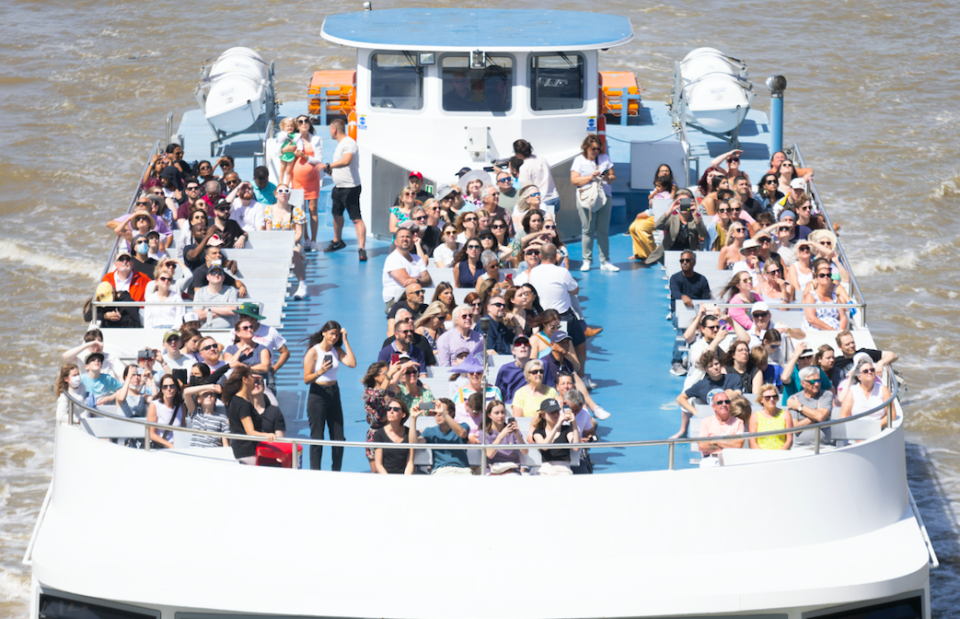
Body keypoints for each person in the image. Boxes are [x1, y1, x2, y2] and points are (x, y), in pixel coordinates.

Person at [528, 243, 590, 376]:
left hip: (541, 317)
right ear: (556, 256)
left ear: (540, 256)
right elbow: (575, 290)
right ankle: (581, 376)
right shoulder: (562, 272)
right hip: (563, 318)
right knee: (581, 342)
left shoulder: (533, 271)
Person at [303, 321, 357, 471]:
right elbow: (306, 379)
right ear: (324, 333)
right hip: (317, 395)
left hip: (334, 393)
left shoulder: (336, 350)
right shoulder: (313, 352)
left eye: (337, 334)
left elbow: (352, 363)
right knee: (317, 437)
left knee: (339, 437)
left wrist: (345, 340)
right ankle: (315, 472)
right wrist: (319, 372)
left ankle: (336, 470)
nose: (334, 337)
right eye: (332, 333)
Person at [570, 135, 617, 272]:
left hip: (604, 196)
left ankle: (605, 261)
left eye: (598, 148)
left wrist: (606, 177)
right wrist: (590, 177)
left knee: (603, 231)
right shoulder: (578, 160)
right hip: (586, 198)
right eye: (593, 149)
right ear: (586, 148)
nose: (596, 151)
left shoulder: (605, 159)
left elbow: (613, 177)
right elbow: (574, 181)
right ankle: (587, 260)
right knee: (588, 230)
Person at [675, 349, 743, 438]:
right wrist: (695, 412)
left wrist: (735, 393)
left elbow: (739, 392)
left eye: (716, 364)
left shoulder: (733, 378)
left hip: (732, 422)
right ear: (705, 369)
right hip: (714, 426)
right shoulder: (701, 385)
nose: (715, 367)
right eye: (711, 366)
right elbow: (680, 398)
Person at [262, 182, 308, 299]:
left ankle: (303, 285)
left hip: (292, 243)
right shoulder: (269, 210)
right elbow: (268, 232)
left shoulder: (297, 211)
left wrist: (288, 243)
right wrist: (276, 244)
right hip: (274, 243)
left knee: (295, 252)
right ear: (275, 195)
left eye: (286, 191)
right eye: (280, 191)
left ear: (289, 194)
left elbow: (299, 233)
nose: (283, 193)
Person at [222, 365, 276, 463]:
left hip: (238, 449)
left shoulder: (232, 400)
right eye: (251, 377)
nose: (254, 380)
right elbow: (250, 432)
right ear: (245, 380)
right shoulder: (243, 404)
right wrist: (268, 435)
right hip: (248, 452)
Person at [361, 361, 407, 472]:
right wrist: (389, 374)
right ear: (376, 377)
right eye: (385, 373)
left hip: (391, 433)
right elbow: (378, 395)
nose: (389, 374)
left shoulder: (390, 394)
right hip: (375, 434)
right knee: (377, 472)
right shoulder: (369, 393)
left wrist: (400, 369)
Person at [409, 398, 473, 475]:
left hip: (463, 470)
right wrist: (413, 418)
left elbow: (462, 433)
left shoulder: (463, 426)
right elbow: (414, 443)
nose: (438, 414)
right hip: (441, 470)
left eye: (442, 411)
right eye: (435, 412)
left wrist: (444, 414)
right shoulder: (430, 431)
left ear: (452, 413)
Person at [644, 192, 708, 265]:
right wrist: (670, 209)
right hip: (669, 255)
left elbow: (703, 234)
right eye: (681, 202)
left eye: (686, 201)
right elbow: (657, 226)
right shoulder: (672, 218)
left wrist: (695, 215)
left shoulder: (696, 219)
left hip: (688, 257)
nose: (684, 204)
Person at [381, 227, 431, 312]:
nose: (405, 239)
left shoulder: (417, 258)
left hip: (417, 297)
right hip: (396, 299)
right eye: (402, 237)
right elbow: (407, 283)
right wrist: (420, 280)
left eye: (408, 237)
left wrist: (416, 280)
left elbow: (428, 280)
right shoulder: (393, 259)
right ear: (395, 242)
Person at [840, 356, 894, 429]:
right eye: (865, 371)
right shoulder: (852, 392)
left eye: (872, 370)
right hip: (857, 431)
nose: (870, 372)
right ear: (859, 377)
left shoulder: (883, 389)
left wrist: (874, 427)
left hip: (879, 429)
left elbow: (892, 414)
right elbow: (844, 417)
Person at [786, 366, 834, 447]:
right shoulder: (794, 399)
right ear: (802, 383)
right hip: (800, 447)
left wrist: (800, 407)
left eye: (818, 380)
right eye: (812, 381)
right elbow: (796, 428)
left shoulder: (826, 395)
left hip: (824, 446)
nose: (816, 384)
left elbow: (820, 417)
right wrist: (817, 413)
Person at [696, 389, 745, 467]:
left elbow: (738, 445)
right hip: (710, 460)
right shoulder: (705, 422)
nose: (724, 404)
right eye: (719, 402)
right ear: (714, 407)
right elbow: (702, 445)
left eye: (727, 402)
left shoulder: (738, 422)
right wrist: (726, 446)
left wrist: (714, 441)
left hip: (731, 459)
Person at [532, 398, 579, 476]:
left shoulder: (567, 429)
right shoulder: (538, 432)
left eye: (557, 411)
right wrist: (558, 425)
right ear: (543, 415)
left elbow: (576, 447)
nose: (556, 414)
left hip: (564, 469)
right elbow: (544, 447)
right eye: (551, 412)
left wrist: (574, 424)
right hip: (545, 469)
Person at [832, 330, 898, 385]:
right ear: (840, 347)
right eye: (847, 344)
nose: (851, 345)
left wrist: (881, 363)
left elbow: (893, 355)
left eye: (853, 342)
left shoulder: (864, 354)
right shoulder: (836, 362)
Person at [513, 139, 560, 216]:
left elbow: (525, 189)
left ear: (518, 153)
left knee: (542, 227)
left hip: (542, 200)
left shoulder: (524, 167)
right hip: (555, 197)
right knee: (553, 227)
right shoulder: (541, 158)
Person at [147, 374, 193, 449]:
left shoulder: (181, 407)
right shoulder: (154, 405)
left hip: (178, 447)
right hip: (159, 448)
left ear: (176, 388)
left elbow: (183, 431)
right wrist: (170, 445)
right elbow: (151, 434)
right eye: (165, 386)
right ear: (161, 389)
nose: (168, 389)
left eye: (171, 386)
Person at [781, 341, 834, 406]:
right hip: (791, 411)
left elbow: (830, 388)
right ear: (797, 359)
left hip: (812, 410)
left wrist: (831, 405)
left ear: (812, 357)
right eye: (802, 357)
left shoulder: (817, 370)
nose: (806, 360)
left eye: (808, 356)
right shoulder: (792, 371)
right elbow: (784, 378)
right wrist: (795, 355)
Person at [803, 259, 850, 331]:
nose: (826, 277)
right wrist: (831, 330)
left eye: (828, 275)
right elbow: (811, 319)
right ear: (816, 279)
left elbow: (843, 318)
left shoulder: (835, 297)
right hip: (817, 331)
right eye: (822, 275)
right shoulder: (811, 295)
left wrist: (840, 332)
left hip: (836, 332)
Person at [224, 315, 272, 384]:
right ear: (238, 333)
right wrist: (240, 351)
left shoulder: (262, 348)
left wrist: (244, 368)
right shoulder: (230, 349)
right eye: (245, 328)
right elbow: (228, 367)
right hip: (237, 385)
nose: (249, 329)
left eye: (251, 327)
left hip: (258, 384)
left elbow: (265, 367)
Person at [484, 400, 527, 475]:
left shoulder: (513, 431)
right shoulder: (484, 433)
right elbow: (490, 454)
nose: (500, 416)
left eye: (502, 412)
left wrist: (517, 434)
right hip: (492, 471)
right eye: (496, 413)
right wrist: (501, 436)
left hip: (512, 471)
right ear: (489, 415)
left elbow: (525, 452)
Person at [373, 398, 414, 475]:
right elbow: (378, 464)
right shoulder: (380, 434)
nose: (391, 411)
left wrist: (405, 480)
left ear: (403, 414)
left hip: (404, 476)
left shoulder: (409, 433)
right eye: (389, 409)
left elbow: (410, 462)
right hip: (384, 477)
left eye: (396, 409)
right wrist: (389, 480)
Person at [192, 264, 238, 328]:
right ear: (208, 277)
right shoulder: (199, 292)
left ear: (224, 277)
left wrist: (210, 309)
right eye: (213, 273)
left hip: (227, 332)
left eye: (220, 273)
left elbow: (232, 311)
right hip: (205, 331)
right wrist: (224, 312)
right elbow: (199, 315)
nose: (217, 275)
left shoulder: (231, 290)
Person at [749, 384, 794, 450]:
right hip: (761, 456)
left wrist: (778, 454)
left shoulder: (785, 414)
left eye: (774, 396)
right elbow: (753, 443)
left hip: (782, 455)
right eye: (767, 397)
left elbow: (789, 440)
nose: (772, 399)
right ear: (761, 399)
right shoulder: (755, 416)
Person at [670, 250, 711, 316]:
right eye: (682, 261)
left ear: (694, 262)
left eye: (687, 260)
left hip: (697, 313)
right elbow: (674, 293)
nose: (684, 262)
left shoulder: (702, 279)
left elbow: (705, 300)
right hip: (678, 313)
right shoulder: (674, 278)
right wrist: (682, 296)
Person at [495, 335, 532, 405]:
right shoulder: (505, 369)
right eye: (518, 344)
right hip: (511, 406)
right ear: (513, 351)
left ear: (530, 349)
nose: (523, 346)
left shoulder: (539, 368)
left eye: (526, 343)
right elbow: (499, 395)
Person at [275, 116, 298, 185]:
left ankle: (287, 184)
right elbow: (279, 140)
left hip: (291, 155)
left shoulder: (296, 135)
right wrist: (285, 134)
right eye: (287, 126)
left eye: (291, 126)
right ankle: (281, 183)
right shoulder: (283, 135)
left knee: (288, 170)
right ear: (284, 128)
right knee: (282, 169)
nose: (289, 127)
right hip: (284, 155)